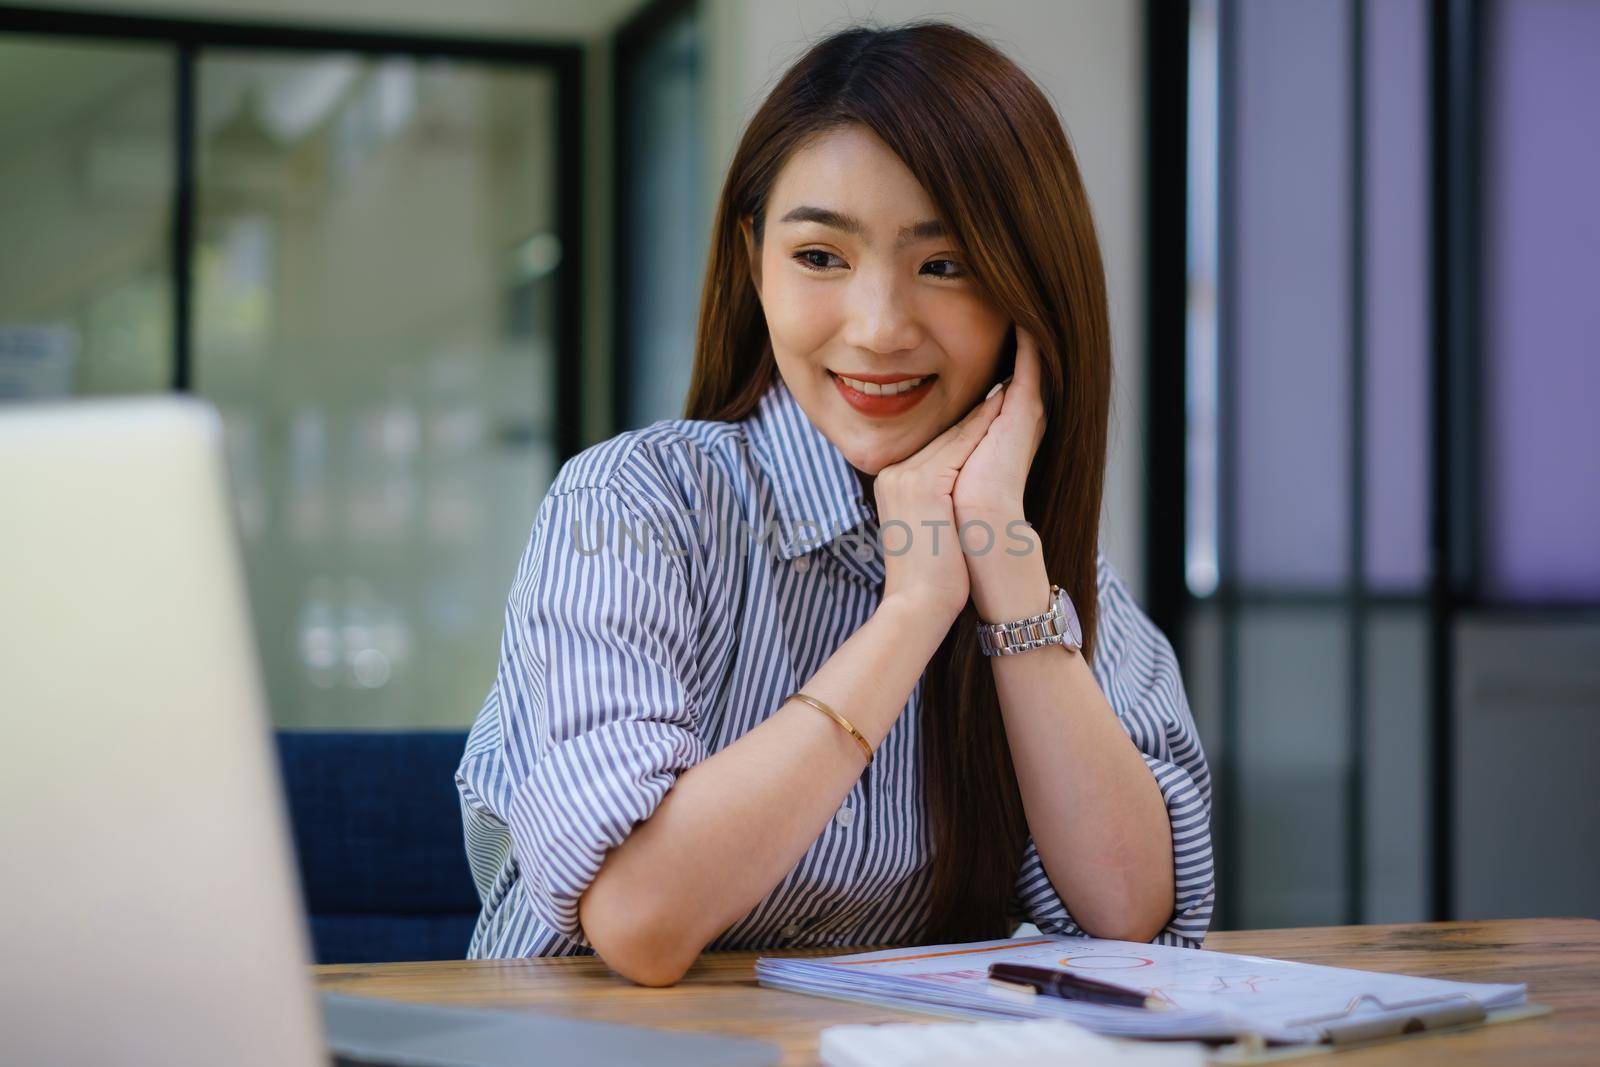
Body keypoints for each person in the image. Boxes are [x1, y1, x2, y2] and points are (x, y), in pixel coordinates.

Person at [456, 20, 1213, 987]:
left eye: (945, 265)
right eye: (821, 256)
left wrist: (1000, 564)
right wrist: (912, 610)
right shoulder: (633, 505)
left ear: (1029, 298)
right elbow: (642, 917)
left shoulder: (1034, 558)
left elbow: (1127, 912)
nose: (880, 326)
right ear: (755, 260)